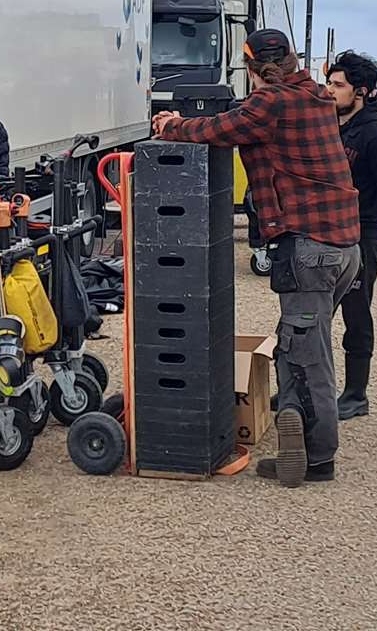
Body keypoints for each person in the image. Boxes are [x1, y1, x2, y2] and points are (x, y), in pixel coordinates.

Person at [152, 29, 360, 488]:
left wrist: (170, 126)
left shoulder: (271, 104)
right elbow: (241, 119)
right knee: (302, 343)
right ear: (291, 58)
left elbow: (219, 130)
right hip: (345, 247)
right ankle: (293, 423)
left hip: (309, 246)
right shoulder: (314, 94)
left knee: (309, 356)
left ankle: (316, 458)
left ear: (249, 67)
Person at [325, 52, 377, 420]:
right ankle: (307, 389)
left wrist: (366, 222)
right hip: (324, 235)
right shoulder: (330, 127)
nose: (330, 90)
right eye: (329, 82)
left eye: (338, 85)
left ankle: (356, 394)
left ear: (362, 92)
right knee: (309, 318)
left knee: (357, 317)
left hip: (361, 238)